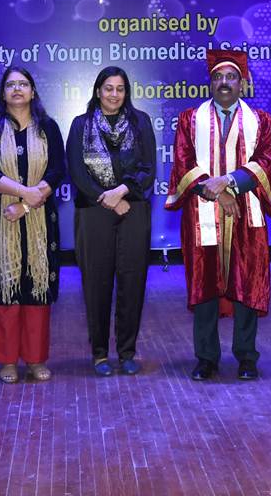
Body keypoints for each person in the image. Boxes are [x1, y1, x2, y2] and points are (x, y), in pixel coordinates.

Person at [165, 50, 271, 381]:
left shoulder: (262, 121)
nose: (224, 83)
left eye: (231, 77)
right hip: (202, 212)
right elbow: (184, 163)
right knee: (205, 285)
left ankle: (246, 357)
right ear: (210, 83)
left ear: (242, 84)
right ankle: (206, 358)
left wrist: (229, 183)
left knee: (247, 283)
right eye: (217, 77)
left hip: (247, 213)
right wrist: (217, 193)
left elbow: (266, 161)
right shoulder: (189, 120)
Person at [0, 68, 65, 383]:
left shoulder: (48, 127)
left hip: (39, 216)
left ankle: (36, 359)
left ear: (32, 91)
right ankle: (8, 361)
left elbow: (58, 170)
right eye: (11, 85)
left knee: (37, 287)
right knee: (5, 288)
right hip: (1, 219)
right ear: (3, 93)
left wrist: (27, 202)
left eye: (23, 84)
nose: (17, 89)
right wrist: (23, 192)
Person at [67, 66, 156, 376]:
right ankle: (100, 354)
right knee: (97, 284)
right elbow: (77, 172)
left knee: (133, 282)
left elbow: (148, 169)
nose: (114, 94)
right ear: (98, 91)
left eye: (120, 89)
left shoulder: (140, 121)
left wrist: (121, 192)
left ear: (126, 92)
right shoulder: (81, 125)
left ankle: (127, 352)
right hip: (94, 211)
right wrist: (107, 198)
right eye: (108, 88)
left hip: (133, 210)